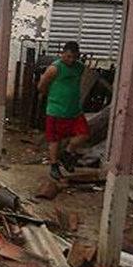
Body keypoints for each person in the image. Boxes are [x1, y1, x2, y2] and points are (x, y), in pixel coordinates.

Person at [38, 41, 89, 180]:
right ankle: (54, 166)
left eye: (74, 57)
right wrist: (53, 97)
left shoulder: (80, 67)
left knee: (83, 134)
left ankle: (68, 152)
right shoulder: (55, 68)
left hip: (74, 110)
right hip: (56, 110)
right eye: (68, 56)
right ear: (62, 54)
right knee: (55, 140)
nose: (71, 60)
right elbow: (42, 86)